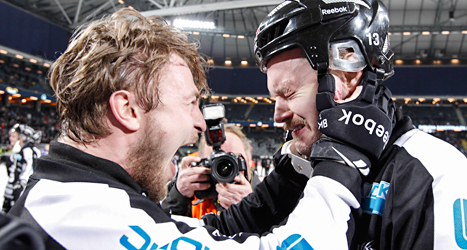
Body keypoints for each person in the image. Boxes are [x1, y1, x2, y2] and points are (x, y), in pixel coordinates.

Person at [7, 8, 367, 249]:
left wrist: (282, 183)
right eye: (189, 102)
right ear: (128, 109)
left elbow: (206, 234)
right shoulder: (80, 214)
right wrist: (341, 165)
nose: (199, 122)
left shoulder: (80, 195)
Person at [254, 0, 467, 249]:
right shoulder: (302, 172)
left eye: (289, 93)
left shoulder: (438, 176)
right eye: (274, 97)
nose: (277, 115)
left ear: (348, 77)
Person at [162, 123, 261, 218]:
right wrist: (179, 196)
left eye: (233, 158)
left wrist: (251, 208)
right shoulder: (195, 196)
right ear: (203, 162)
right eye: (215, 162)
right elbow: (165, 229)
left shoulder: (268, 196)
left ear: (248, 158)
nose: (225, 168)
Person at [2, 124, 40, 213]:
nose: (18, 138)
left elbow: (28, 170)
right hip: (12, 185)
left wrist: (21, 184)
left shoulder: (28, 151)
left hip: (19, 187)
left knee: (14, 213)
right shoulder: (20, 149)